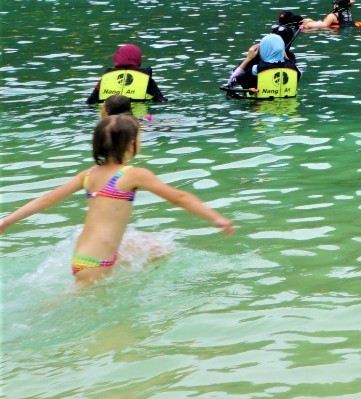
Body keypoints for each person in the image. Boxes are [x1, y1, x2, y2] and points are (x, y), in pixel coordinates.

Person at [0, 111, 233, 281]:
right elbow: (179, 198)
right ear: (132, 144)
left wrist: (7, 221)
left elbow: (46, 200)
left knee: (161, 247)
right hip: (96, 263)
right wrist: (216, 218)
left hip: (84, 255)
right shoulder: (134, 175)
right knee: (71, 305)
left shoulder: (89, 174)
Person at [85, 44, 165, 110]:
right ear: (138, 59)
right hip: (139, 119)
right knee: (150, 119)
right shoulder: (145, 79)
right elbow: (160, 101)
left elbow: (90, 102)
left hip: (108, 118)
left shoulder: (106, 78)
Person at [228, 32, 296, 95]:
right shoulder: (295, 70)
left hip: (259, 106)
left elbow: (232, 81)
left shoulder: (256, 69)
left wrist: (248, 59)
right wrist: (286, 58)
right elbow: (291, 65)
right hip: (289, 106)